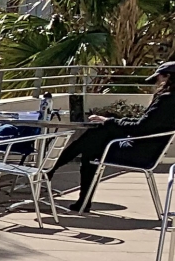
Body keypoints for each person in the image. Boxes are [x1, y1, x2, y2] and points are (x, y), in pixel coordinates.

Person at [50, 61, 175, 211]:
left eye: (158, 79)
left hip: (138, 152)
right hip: (148, 150)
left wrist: (109, 121)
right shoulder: (170, 100)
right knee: (95, 138)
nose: (157, 83)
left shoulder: (166, 100)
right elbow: (144, 124)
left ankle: (53, 170)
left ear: (167, 77)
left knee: (93, 143)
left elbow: (139, 128)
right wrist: (110, 122)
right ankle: (78, 196)